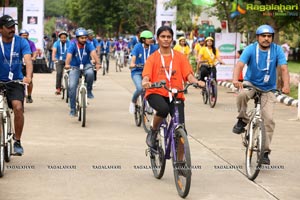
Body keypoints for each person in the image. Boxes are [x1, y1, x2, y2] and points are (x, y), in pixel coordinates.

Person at [232, 24, 290, 165]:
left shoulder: (277, 50)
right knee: (241, 95)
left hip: (269, 89)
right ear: (258, 37)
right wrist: (235, 79)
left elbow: (283, 68)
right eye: (263, 36)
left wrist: (286, 85)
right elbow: (240, 65)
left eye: (269, 36)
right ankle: (242, 119)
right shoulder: (251, 49)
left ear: (272, 38)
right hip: (251, 83)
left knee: (269, 120)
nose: (266, 39)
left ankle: (264, 152)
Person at [141, 26, 205, 148]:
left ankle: (180, 164)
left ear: (172, 39)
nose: (166, 39)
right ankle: (153, 131)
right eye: (162, 37)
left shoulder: (180, 57)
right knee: (163, 109)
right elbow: (146, 75)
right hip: (156, 93)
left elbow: (188, 75)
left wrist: (196, 82)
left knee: (181, 131)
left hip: (176, 94)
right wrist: (145, 82)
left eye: (168, 37)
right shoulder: (152, 58)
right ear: (158, 39)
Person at [0, 15, 33, 155]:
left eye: (13, 27)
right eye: (8, 27)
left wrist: (28, 77)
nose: (12, 29)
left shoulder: (21, 42)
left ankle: (17, 141)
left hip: (15, 82)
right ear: (0, 29)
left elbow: (28, 61)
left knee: (18, 108)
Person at [65, 28, 101, 116]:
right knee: (72, 86)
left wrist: (98, 63)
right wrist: (67, 64)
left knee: (90, 73)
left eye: (85, 38)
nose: (84, 39)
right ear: (77, 38)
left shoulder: (88, 44)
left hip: (86, 65)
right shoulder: (73, 45)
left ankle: (89, 90)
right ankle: (73, 109)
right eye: (82, 38)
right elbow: (69, 55)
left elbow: (93, 53)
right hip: (74, 67)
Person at [128, 30, 158, 114]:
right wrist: (132, 64)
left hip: (149, 73)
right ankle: (133, 102)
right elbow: (133, 58)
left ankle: (149, 104)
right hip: (137, 71)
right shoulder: (137, 47)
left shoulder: (154, 47)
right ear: (143, 40)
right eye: (149, 38)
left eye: (151, 38)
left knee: (154, 88)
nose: (151, 40)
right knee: (140, 88)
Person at [19, 29, 37, 103]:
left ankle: (29, 96)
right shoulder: (16, 43)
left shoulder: (31, 43)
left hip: (28, 63)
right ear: (20, 36)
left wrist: (34, 57)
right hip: (18, 64)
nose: (25, 37)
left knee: (29, 81)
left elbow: (34, 52)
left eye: (26, 35)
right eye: (23, 35)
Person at [52, 31, 70, 95]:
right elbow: (54, 51)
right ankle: (58, 88)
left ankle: (71, 87)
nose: (63, 39)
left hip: (68, 60)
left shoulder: (69, 43)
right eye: (62, 38)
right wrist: (53, 58)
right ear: (59, 38)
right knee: (59, 73)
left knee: (71, 73)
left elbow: (72, 51)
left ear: (66, 38)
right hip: (59, 60)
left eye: (64, 37)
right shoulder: (56, 43)